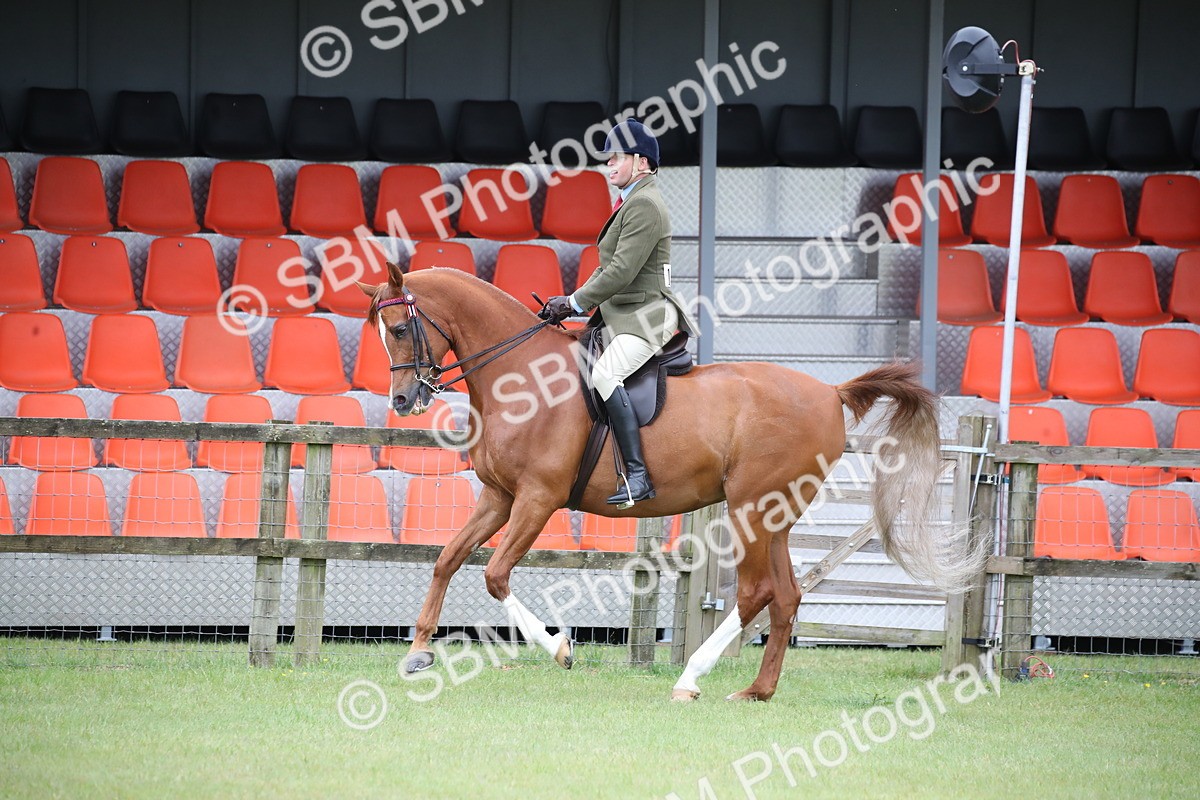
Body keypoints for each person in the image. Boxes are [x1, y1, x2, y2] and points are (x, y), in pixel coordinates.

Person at [541, 119, 698, 509]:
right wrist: (569, 298)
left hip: (647, 316)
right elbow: (607, 265)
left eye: (616, 158)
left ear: (641, 163)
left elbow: (621, 271)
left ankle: (638, 475)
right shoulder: (631, 200)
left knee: (604, 373)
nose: (609, 164)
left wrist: (576, 303)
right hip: (624, 312)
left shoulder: (644, 203)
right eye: (608, 159)